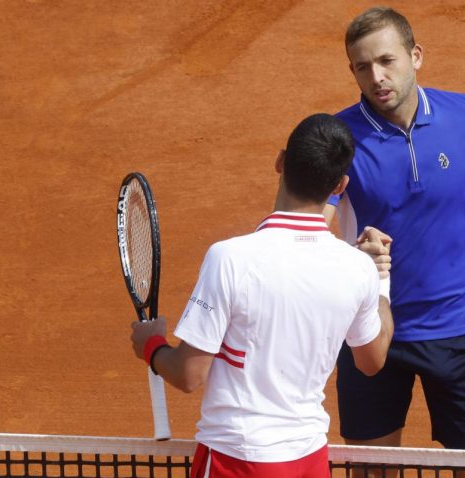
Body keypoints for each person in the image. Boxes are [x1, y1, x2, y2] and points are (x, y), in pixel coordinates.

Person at [324, 6, 465, 457]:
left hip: (457, 326)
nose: (376, 77)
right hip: (373, 328)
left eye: (386, 61)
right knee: (372, 468)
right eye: (362, 66)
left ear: (416, 56)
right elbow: (315, 222)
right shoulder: (338, 137)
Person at [130, 113, 394, 478]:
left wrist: (149, 345)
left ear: (280, 161)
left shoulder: (231, 258)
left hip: (237, 462)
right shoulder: (357, 268)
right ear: (340, 185)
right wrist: (381, 280)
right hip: (310, 463)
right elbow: (371, 361)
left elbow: (188, 375)